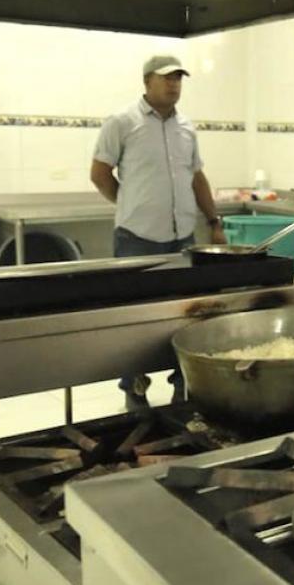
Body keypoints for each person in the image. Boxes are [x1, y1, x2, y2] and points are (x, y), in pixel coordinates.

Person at [90, 54, 225, 411]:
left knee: (186, 317)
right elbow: (99, 174)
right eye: (167, 77)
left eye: (178, 78)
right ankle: (134, 388)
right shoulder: (122, 122)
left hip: (182, 240)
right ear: (147, 80)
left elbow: (196, 177)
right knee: (135, 319)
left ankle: (183, 386)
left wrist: (214, 222)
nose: (174, 84)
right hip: (137, 239)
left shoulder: (186, 127)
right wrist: (129, 204)